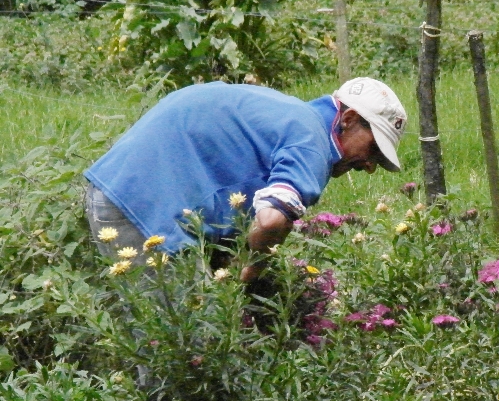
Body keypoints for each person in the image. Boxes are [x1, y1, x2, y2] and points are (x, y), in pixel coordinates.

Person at [84, 77, 407, 282]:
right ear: (348, 120)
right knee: (191, 350)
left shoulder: (292, 115)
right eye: (374, 150)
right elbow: (269, 221)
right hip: (142, 209)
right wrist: (249, 272)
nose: (370, 166)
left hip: (123, 189)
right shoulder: (312, 143)